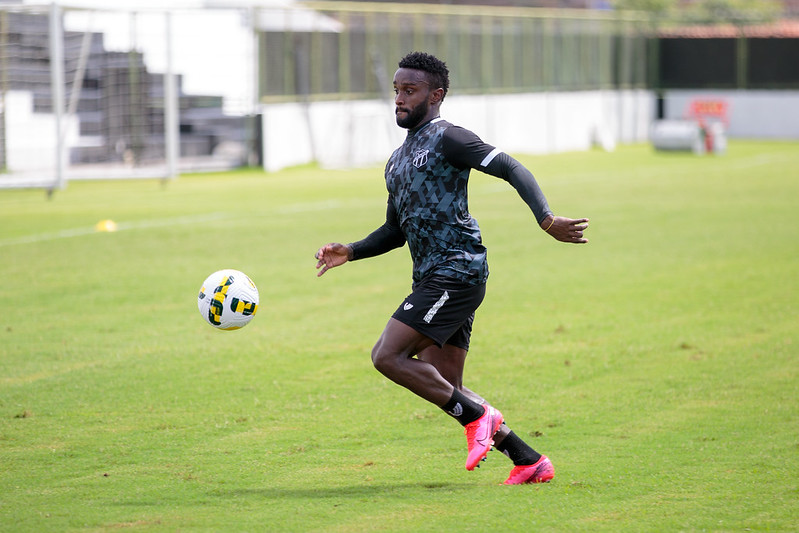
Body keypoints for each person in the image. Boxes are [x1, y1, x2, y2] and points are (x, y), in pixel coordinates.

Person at [315, 51, 588, 485]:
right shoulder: (396, 161)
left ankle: (477, 418)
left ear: (436, 95)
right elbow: (394, 230)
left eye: (411, 91)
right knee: (444, 384)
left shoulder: (449, 138)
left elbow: (511, 167)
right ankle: (528, 460)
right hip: (432, 276)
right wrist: (351, 250)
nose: (400, 99)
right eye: (397, 91)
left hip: (458, 270)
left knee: (387, 356)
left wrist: (546, 217)